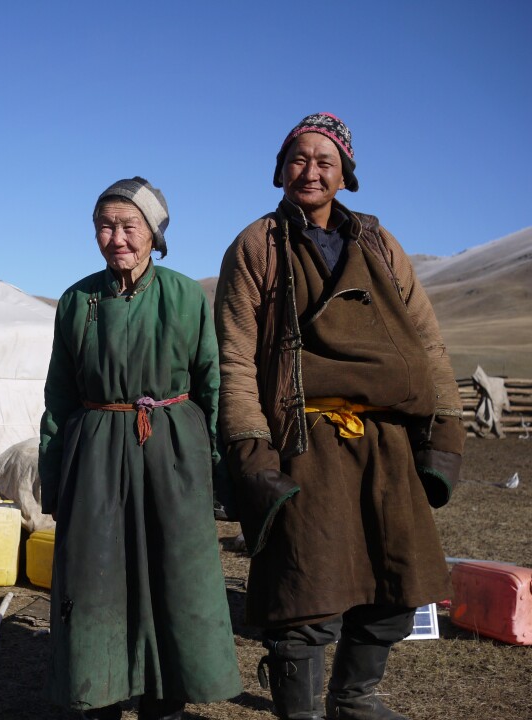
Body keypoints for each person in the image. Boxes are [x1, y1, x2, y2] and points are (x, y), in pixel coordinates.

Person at [214, 113, 465, 720]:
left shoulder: (378, 243)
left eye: (325, 162)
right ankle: (300, 712)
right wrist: (252, 449)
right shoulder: (257, 245)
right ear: (280, 169)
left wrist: (444, 428)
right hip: (304, 435)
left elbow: (426, 339)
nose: (311, 172)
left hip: (386, 438)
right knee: (307, 588)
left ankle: (355, 698)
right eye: (299, 159)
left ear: (345, 176)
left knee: (395, 581)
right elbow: (237, 354)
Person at [39, 177, 242, 720]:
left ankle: (165, 702)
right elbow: (59, 395)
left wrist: (217, 470)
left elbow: (211, 384)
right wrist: (54, 474)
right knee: (96, 577)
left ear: (154, 233)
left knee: (174, 579)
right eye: (105, 225)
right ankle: (99, 694)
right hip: (96, 457)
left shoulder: (183, 295)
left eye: (130, 225)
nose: (117, 237)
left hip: (171, 455)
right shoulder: (76, 300)